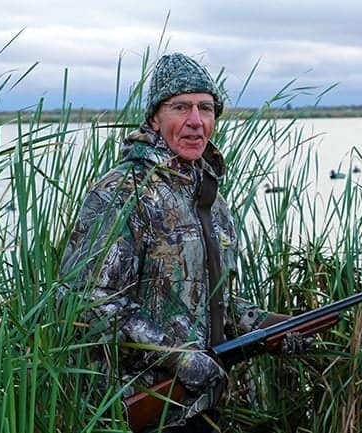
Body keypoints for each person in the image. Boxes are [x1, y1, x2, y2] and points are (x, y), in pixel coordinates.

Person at [59, 53, 306, 432]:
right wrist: (177, 357)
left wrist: (270, 327)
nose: (195, 121)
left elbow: (210, 300)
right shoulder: (121, 192)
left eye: (205, 108)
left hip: (200, 408)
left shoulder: (210, 198)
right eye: (180, 107)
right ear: (154, 118)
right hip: (134, 410)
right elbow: (86, 299)